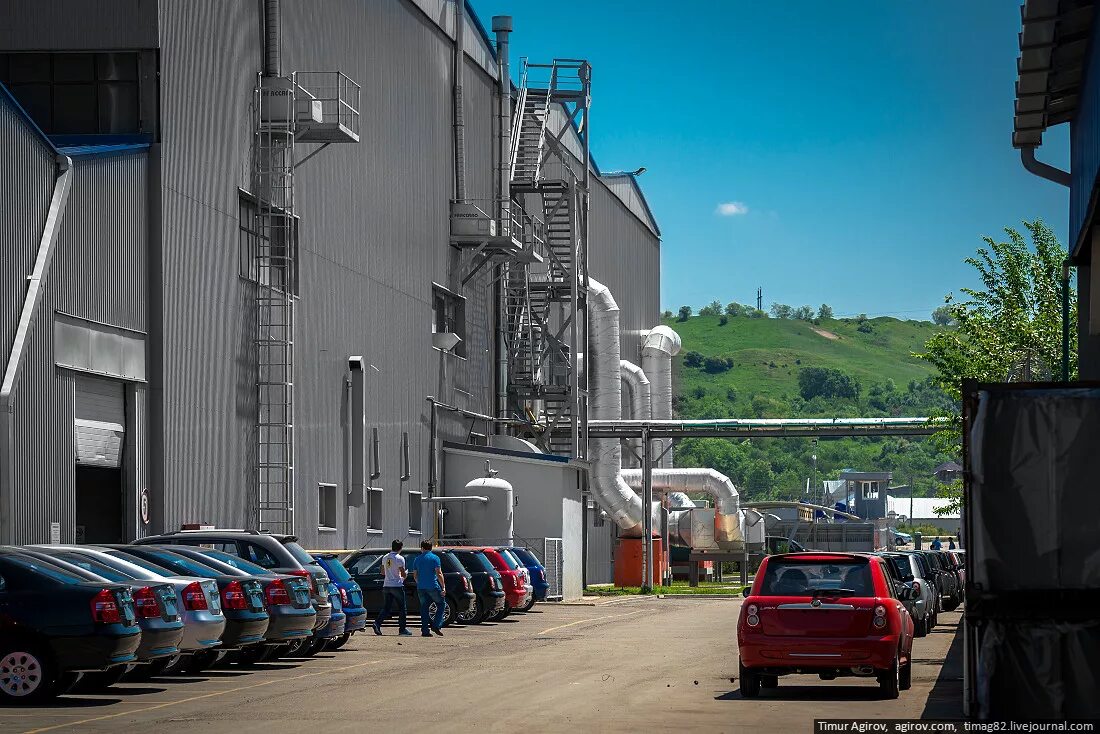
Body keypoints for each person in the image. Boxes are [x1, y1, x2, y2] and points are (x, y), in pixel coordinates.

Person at [373, 540, 412, 636]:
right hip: (397, 585)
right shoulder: (400, 558)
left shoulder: (385, 557)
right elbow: (403, 573)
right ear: (400, 548)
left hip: (386, 585)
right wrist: (405, 574)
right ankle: (402, 629)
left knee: (386, 607)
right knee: (402, 608)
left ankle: (377, 623)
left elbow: (382, 572)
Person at [411, 540, 446, 637]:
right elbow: (439, 573)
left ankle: (425, 630)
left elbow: (415, 575)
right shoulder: (435, 558)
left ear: (422, 548)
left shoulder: (417, 559)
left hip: (421, 587)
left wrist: (419, 583)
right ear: (431, 548)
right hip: (433, 585)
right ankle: (436, 625)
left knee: (424, 608)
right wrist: (443, 587)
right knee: (441, 604)